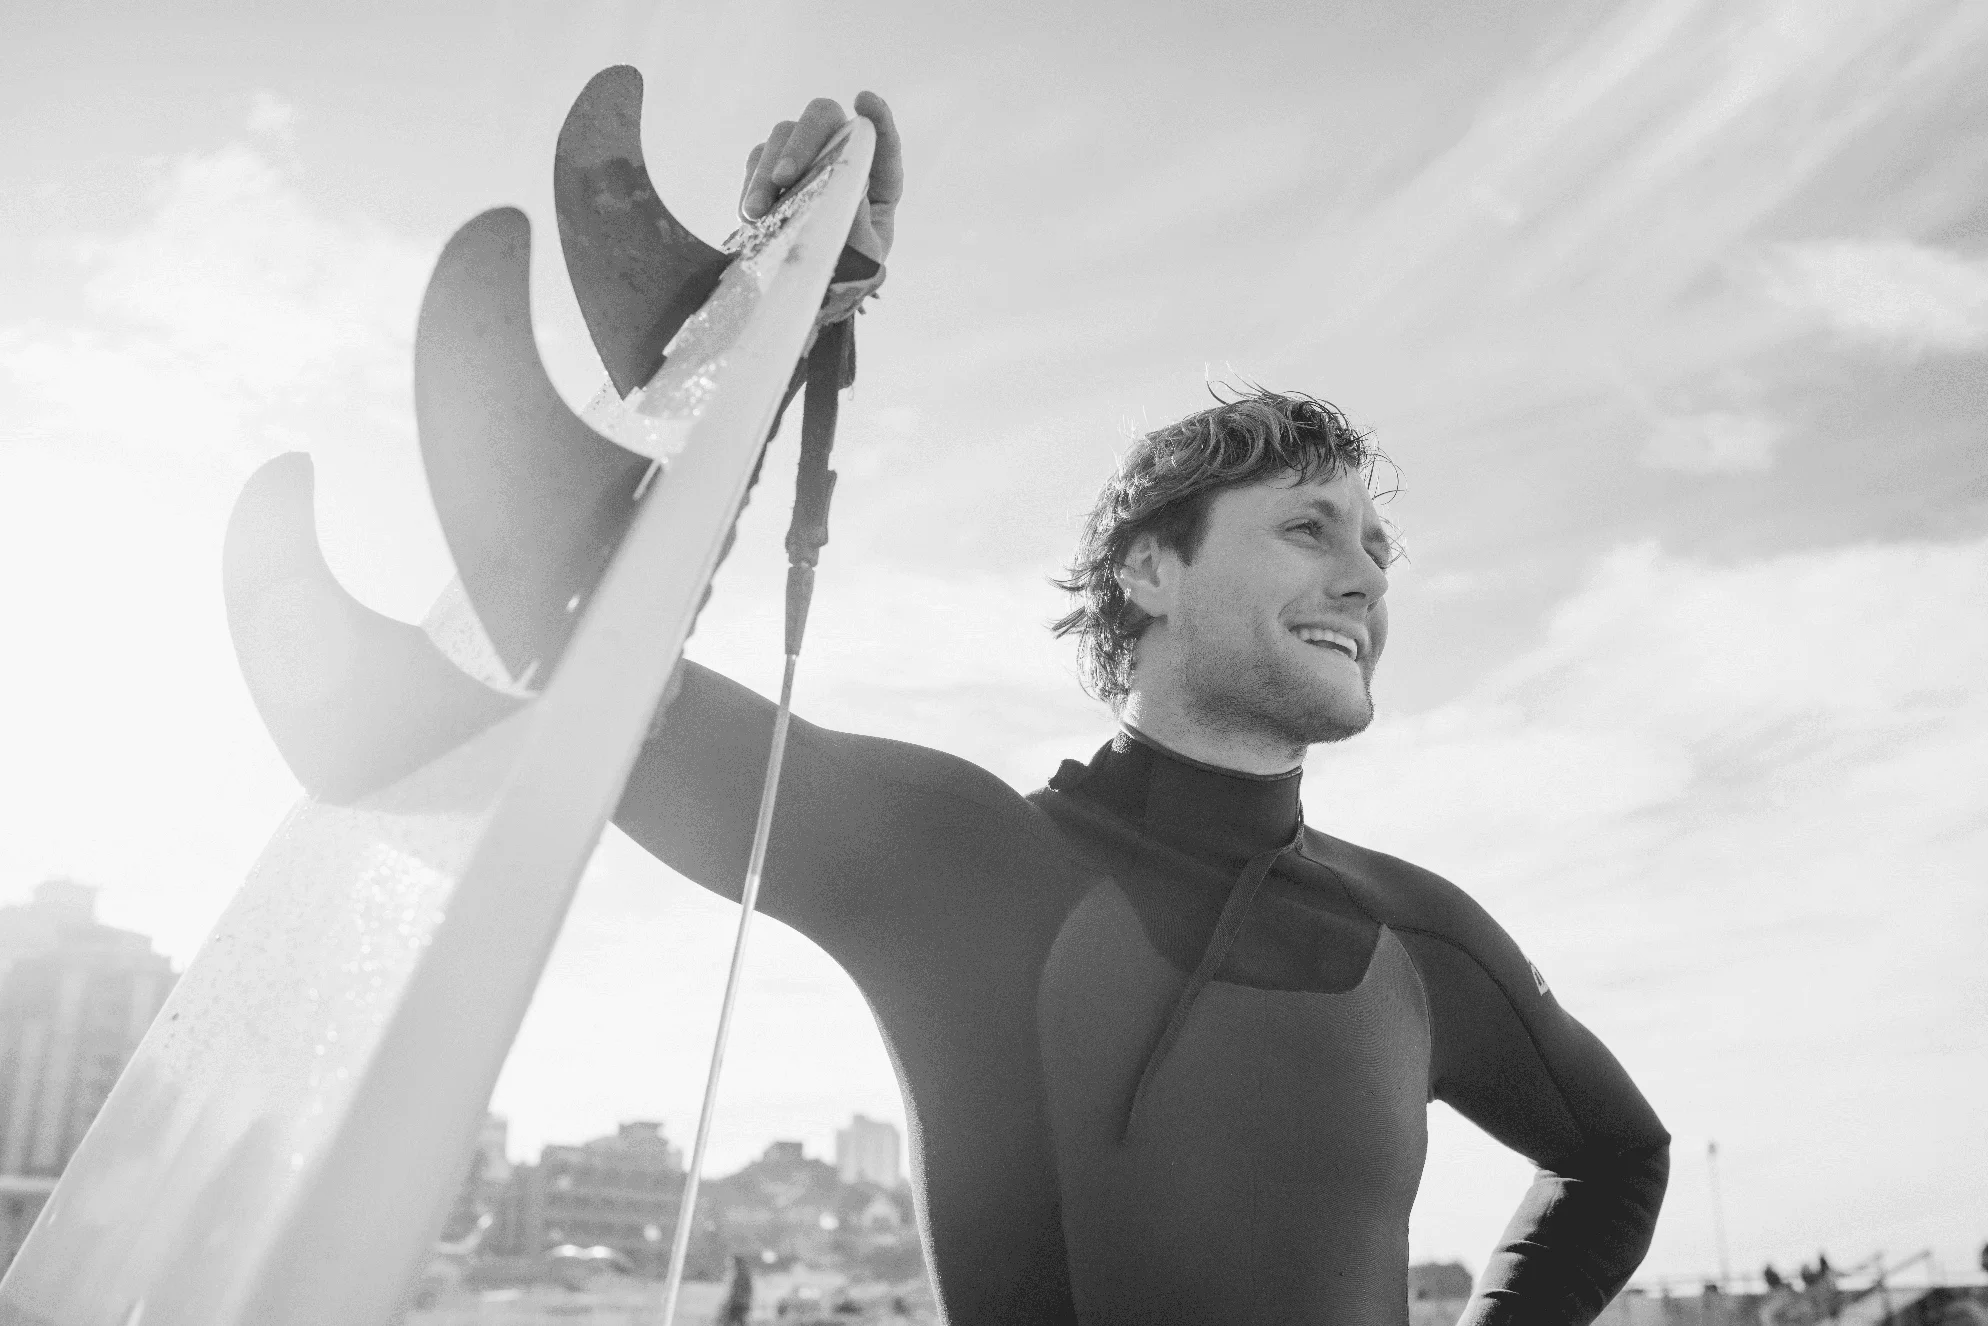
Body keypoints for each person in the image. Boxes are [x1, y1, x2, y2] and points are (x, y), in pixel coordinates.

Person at [615, 95, 1670, 1326]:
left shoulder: (1419, 939)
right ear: (1148, 571)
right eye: (1305, 528)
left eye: (1379, 549)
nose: (1367, 576)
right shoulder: (954, 860)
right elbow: (599, 680)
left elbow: (1616, 1158)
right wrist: (782, 304)